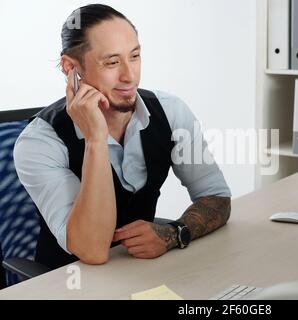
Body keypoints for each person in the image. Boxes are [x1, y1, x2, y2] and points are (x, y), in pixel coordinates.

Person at [14, 4, 231, 270]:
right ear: (70, 67)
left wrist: (174, 233)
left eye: (135, 56)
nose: (130, 76)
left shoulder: (170, 111)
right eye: (112, 62)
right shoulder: (39, 142)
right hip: (68, 283)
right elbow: (92, 251)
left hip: (141, 272)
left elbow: (217, 197)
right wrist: (95, 139)